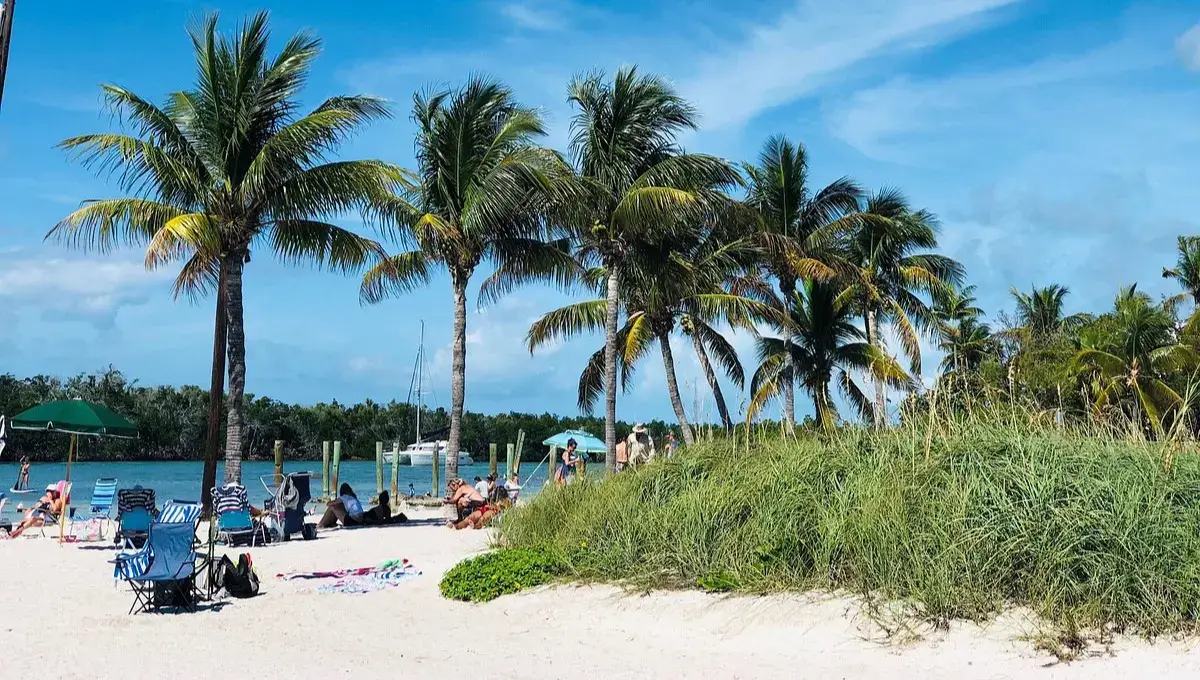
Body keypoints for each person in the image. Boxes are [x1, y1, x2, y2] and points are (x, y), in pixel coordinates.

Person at [318, 483, 394, 528]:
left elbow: (329, 504)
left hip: (352, 521)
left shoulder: (343, 497)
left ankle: (321, 524)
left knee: (332, 507)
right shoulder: (353, 497)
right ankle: (329, 523)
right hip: (359, 520)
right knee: (337, 507)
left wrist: (330, 501)